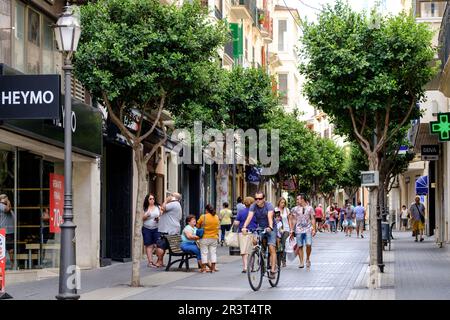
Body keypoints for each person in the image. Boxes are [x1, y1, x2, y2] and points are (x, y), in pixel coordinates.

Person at [241, 191, 277, 279]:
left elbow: (270, 217)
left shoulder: (269, 205)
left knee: (271, 247)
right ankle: (262, 255)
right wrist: (244, 227)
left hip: (271, 227)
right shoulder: (253, 206)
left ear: (264, 199)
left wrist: (270, 227)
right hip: (261, 227)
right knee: (256, 241)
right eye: (256, 198)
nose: (257, 200)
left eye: (260, 199)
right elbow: (249, 217)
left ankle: (272, 270)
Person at [155, 192, 182, 268]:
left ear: (174, 198)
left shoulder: (173, 203)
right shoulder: (177, 205)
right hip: (172, 228)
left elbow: (163, 208)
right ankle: (160, 261)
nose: (170, 196)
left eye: (171, 195)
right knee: (163, 245)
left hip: (167, 229)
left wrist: (166, 200)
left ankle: (159, 261)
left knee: (160, 245)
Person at [289, 194, 316, 268]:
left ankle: (307, 258)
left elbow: (313, 218)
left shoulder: (310, 208)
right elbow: (293, 219)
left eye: (298, 199)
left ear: (302, 199)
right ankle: (301, 262)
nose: (297, 201)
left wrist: (314, 229)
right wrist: (292, 230)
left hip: (308, 229)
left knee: (308, 244)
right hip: (298, 230)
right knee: (300, 246)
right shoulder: (295, 209)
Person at [234, 196, 257, 273]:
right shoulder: (255, 212)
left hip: (243, 232)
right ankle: (252, 267)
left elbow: (236, 223)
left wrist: (236, 222)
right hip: (253, 232)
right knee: (252, 250)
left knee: (244, 251)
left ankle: (245, 267)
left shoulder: (241, 212)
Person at [197, 204, 220, 272]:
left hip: (204, 237)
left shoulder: (203, 217)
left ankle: (204, 268)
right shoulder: (216, 217)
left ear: (206, 210)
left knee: (204, 253)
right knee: (213, 253)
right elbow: (218, 226)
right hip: (214, 237)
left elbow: (197, 225)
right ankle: (213, 268)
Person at [142, 194, 161, 268]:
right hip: (147, 228)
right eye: (150, 199)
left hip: (156, 228)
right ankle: (150, 262)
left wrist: (158, 218)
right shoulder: (145, 208)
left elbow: (162, 216)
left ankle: (159, 261)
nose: (152, 200)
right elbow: (141, 218)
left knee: (158, 245)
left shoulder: (158, 207)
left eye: (153, 198)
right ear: (147, 200)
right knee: (149, 245)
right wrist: (146, 216)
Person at [275, 197, 290, 267]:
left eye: (284, 203)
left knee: (283, 245)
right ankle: (278, 260)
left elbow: (289, 220)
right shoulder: (275, 209)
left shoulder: (287, 210)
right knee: (278, 245)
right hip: (277, 230)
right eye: (282, 202)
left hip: (286, 229)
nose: (283, 204)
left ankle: (283, 261)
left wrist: (291, 229)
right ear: (279, 202)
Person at [0, 194, 15, 268]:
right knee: (3, 249)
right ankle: (4, 265)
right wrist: (8, 201)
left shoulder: (7, 206)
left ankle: (12, 264)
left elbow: (9, 209)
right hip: (4, 231)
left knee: (11, 249)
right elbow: (7, 210)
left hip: (10, 231)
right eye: (6, 198)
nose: (7, 199)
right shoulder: (1, 205)